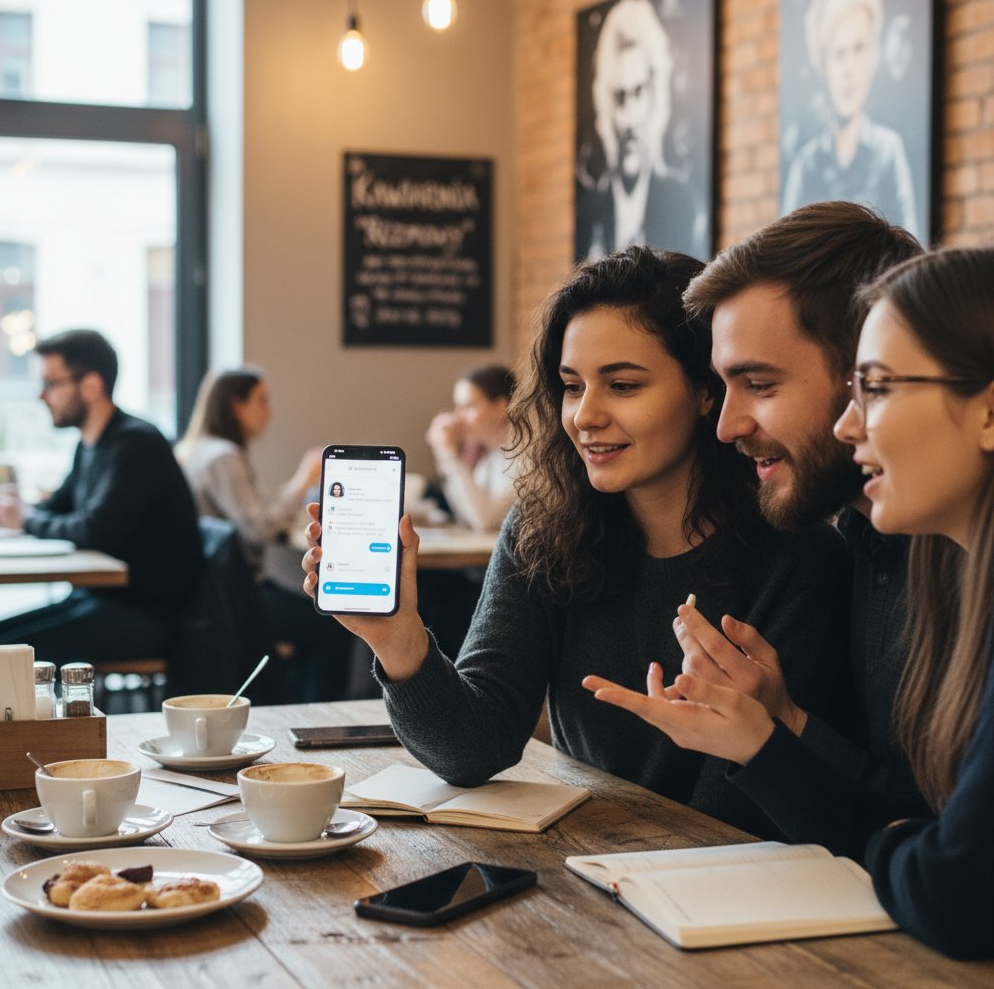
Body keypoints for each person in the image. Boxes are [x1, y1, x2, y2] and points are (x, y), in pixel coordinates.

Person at [302, 246, 850, 837]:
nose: (585, 416)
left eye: (622, 385)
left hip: (723, 891)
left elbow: (731, 820)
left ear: (704, 392)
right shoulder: (547, 530)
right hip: (590, 867)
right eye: (571, 386)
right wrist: (398, 638)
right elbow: (474, 749)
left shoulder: (797, 558)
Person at [590, 247, 994, 958]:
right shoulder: (893, 555)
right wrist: (773, 735)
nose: (849, 422)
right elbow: (921, 830)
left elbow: (955, 889)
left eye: (876, 387)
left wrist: (912, 844)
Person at [582, 202, 925, 851]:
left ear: (867, 375)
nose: (726, 427)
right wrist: (782, 723)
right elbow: (898, 822)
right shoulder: (860, 540)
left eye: (759, 384)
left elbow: (941, 854)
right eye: (723, 386)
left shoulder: (957, 558)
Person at [0, 329, 203, 666]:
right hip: (99, 600)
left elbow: (95, 529)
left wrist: (25, 518)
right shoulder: (90, 444)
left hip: (146, 616)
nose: (41, 397)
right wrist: (9, 509)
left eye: (50, 384)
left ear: (91, 385)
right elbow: (58, 508)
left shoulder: (135, 443)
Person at [175, 367, 351, 702]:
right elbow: (259, 528)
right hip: (230, 597)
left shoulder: (197, 450)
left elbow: (256, 514)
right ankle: (313, 713)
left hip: (212, 591)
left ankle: (297, 704)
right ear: (235, 406)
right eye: (261, 401)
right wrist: (303, 479)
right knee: (331, 621)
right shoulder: (222, 457)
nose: (268, 411)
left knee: (314, 614)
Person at [782, 0, 918, 237]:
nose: (849, 69)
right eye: (839, 54)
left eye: (859, 49)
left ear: (873, 56)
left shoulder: (890, 152)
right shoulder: (806, 167)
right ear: (823, 65)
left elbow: (910, 251)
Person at [575, 0, 705, 261]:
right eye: (619, 97)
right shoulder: (588, 213)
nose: (629, 119)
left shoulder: (684, 206)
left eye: (638, 93)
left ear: (655, 98)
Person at [425, 365, 517, 533]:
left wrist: (451, 456)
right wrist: (444, 456)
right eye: (457, 407)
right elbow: (465, 515)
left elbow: (485, 521)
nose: (457, 417)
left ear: (500, 407)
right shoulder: (492, 458)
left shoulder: (527, 459)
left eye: (468, 407)